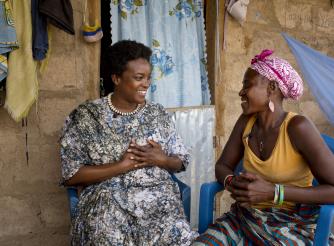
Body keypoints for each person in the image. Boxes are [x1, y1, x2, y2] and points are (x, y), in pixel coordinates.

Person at [60, 40, 198, 245]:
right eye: (139, 78)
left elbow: (180, 162)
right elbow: (71, 175)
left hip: (158, 204)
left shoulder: (157, 114)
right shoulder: (87, 116)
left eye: (148, 77)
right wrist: (120, 166)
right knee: (106, 234)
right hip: (107, 205)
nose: (146, 84)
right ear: (116, 78)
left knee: (179, 236)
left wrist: (162, 159)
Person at [194, 49, 334, 245]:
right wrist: (233, 182)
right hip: (245, 217)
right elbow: (222, 165)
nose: (241, 92)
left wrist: (274, 192)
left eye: (247, 85)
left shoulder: (298, 127)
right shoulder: (246, 122)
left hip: (292, 221)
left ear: (272, 87)